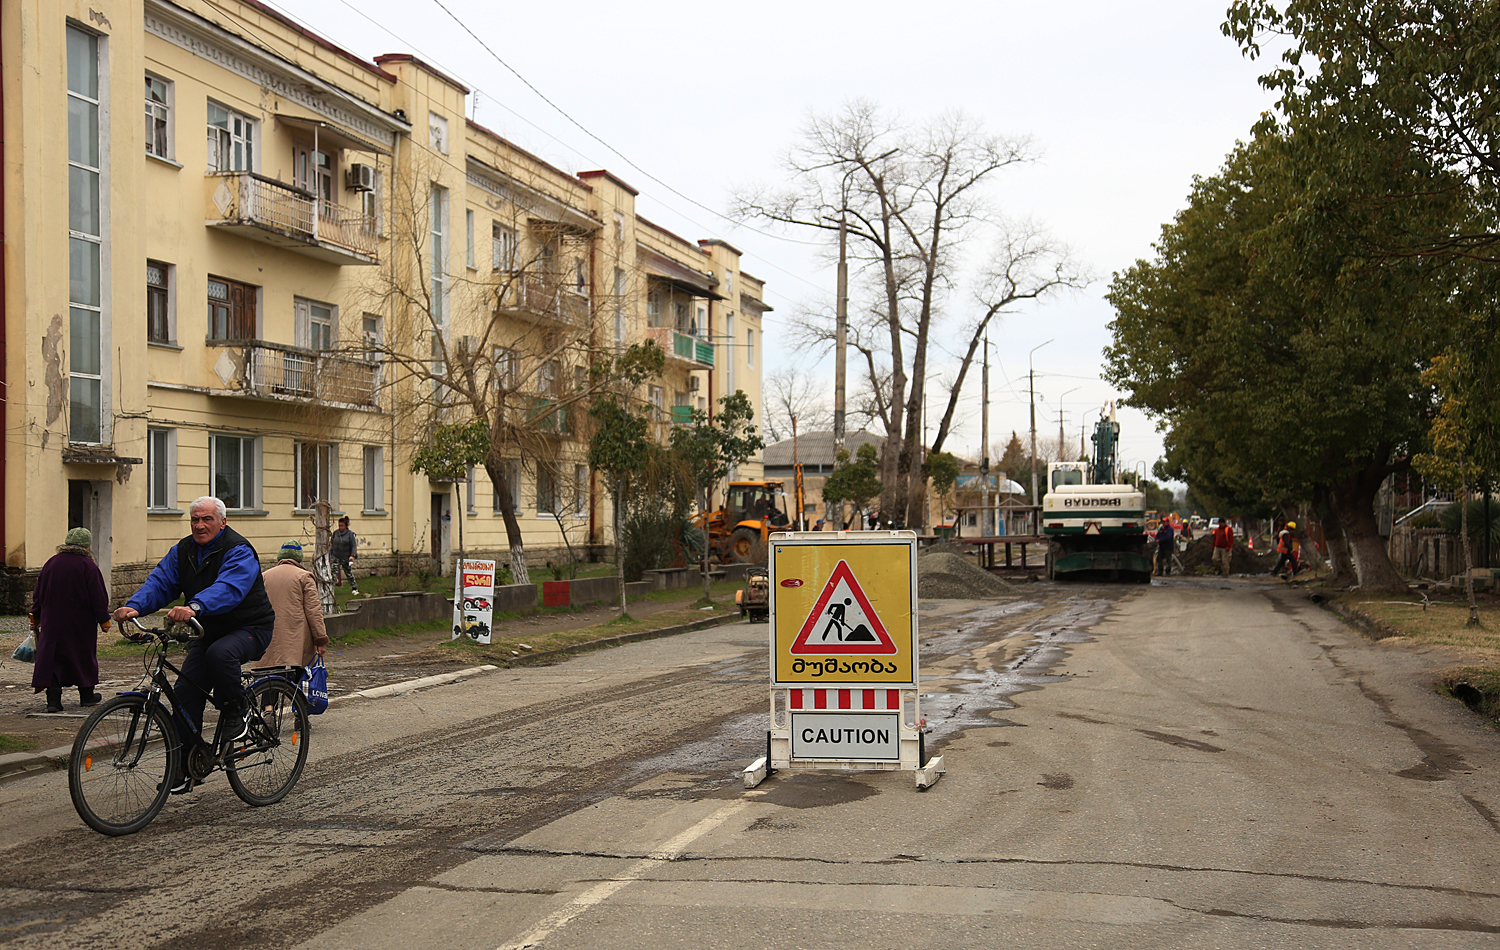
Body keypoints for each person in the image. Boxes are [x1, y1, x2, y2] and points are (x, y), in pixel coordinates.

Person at [114, 496, 275, 793]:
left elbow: (230, 587)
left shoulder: (238, 549)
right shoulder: (183, 551)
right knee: (185, 693)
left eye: (207, 519)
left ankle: (236, 711)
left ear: (222, 522)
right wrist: (135, 606)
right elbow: (160, 583)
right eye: (195, 519)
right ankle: (186, 765)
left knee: (220, 654)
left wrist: (195, 606)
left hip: (249, 627)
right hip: (205, 631)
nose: (200, 525)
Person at [30, 527, 109, 713]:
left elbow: (39, 592)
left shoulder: (51, 563)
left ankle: (53, 701)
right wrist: (104, 620)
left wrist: (36, 615)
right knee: (83, 656)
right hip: (80, 623)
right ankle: (87, 695)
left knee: (52, 657)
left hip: (52, 622)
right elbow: (98, 596)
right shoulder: (88, 566)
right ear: (86, 546)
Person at [254, 541, 328, 672]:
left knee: (271, 675)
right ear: (299, 558)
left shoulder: (264, 576)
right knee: (299, 678)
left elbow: (255, 606)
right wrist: (320, 639)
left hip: (269, 636)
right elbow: (313, 611)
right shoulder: (304, 577)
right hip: (296, 638)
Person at [330, 515, 360, 595]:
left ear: (346, 526)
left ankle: (354, 588)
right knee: (334, 573)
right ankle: (331, 590)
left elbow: (353, 546)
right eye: (339, 525)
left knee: (348, 573)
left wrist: (352, 556)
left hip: (346, 557)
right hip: (336, 556)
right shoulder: (336, 533)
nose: (340, 527)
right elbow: (332, 543)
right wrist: (331, 553)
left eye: (342, 526)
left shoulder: (350, 534)